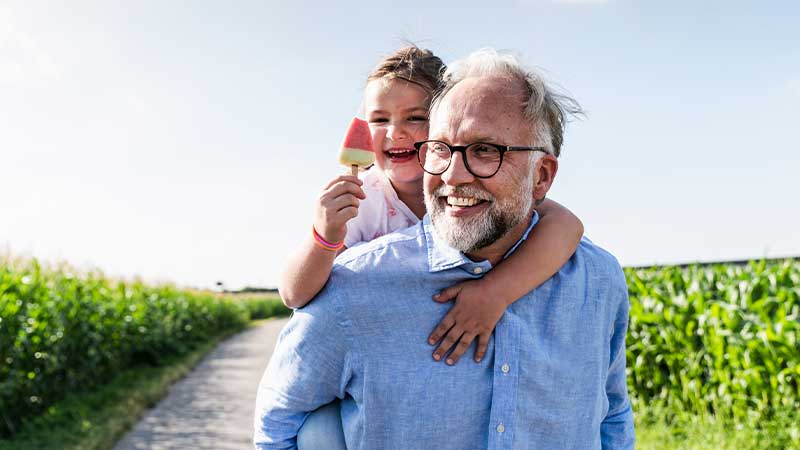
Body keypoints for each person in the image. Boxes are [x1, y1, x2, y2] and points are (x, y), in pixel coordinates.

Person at [255, 48, 634, 449]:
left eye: (485, 150)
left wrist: (495, 291)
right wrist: (324, 236)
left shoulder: (597, 280)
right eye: (441, 148)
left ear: (541, 177)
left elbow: (612, 414)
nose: (453, 175)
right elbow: (278, 421)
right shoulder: (356, 268)